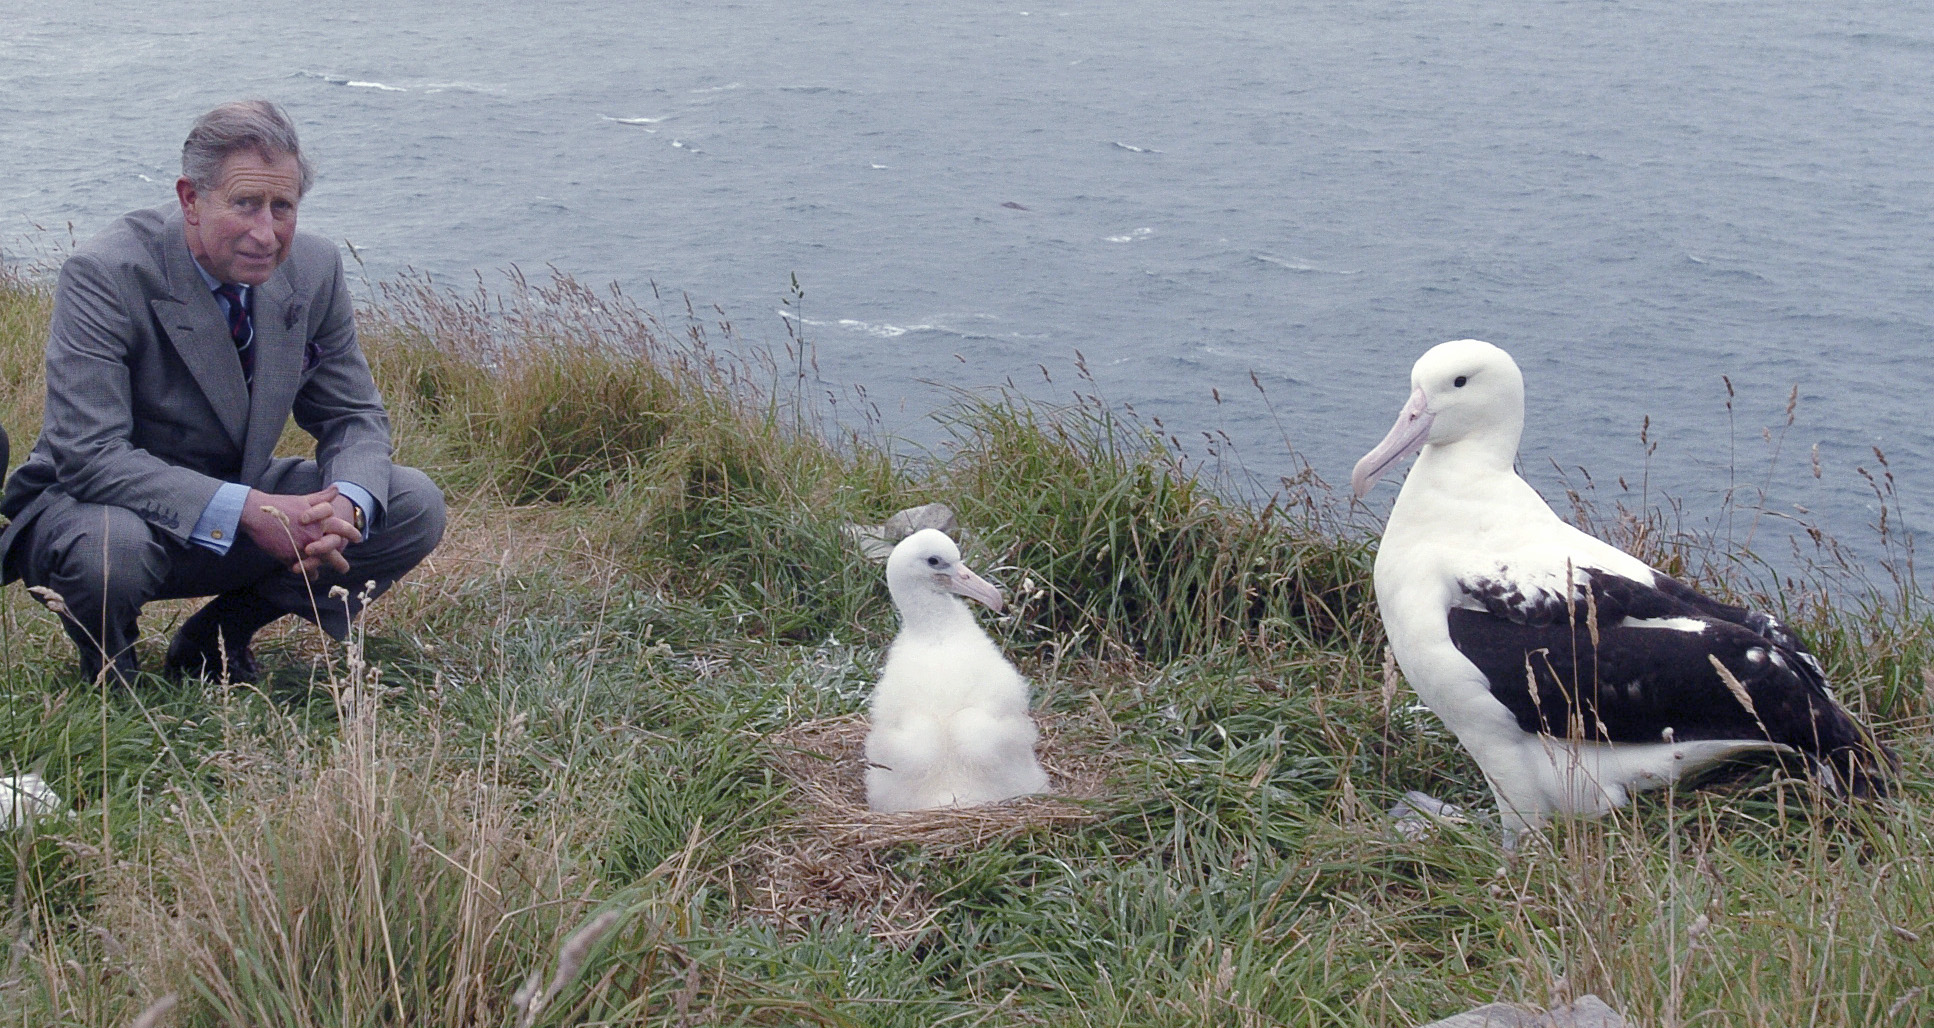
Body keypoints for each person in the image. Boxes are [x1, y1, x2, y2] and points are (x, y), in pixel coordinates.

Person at [0, 101, 445, 684]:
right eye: (245, 204)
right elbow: (89, 455)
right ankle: (111, 676)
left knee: (410, 503)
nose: (266, 233)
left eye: (281, 206)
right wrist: (251, 511)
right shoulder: (105, 273)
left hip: (239, 498)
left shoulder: (314, 267)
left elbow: (354, 416)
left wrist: (344, 506)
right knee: (112, 551)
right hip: (100, 508)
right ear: (190, 199)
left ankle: (217, 636)